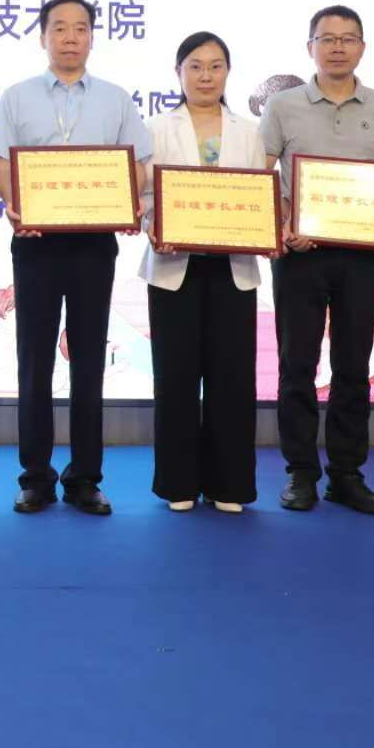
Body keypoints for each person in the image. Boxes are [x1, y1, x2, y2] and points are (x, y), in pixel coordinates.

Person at [0, 0, 152, 516]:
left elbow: (140, 167)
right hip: (35, 243)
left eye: (80, 28)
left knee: (88, 361)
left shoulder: (116, 99)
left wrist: (127, 202)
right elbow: (2, 168)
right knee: (34, 361)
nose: (70, 37)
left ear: (91, 37)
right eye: (59, 28)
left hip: (92, 244)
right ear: (43, 37)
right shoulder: (17, 97)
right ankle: (35, 476)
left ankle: (85, 477)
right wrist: (15, 206)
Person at [261, 4, 374, 514]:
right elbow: (262, 175)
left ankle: (347, 474)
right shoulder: (282, 106)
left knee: (354, 365)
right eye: (326, 39)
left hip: (362, 258)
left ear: (362, 48)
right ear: (310, 47)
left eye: (348, 39)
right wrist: (283, 227)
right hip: (299, 256)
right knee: (297, 366)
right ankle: (301, 473)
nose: (337, 47)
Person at [141, 31, 264, 513]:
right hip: (175, 266)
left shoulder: (249, 132)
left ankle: (228, 485)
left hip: (233, 270)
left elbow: (260, 196)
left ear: (228, 73)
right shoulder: (155, 128)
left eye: (215, 66)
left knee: (232, 377)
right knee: (175, 377)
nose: (205, 76)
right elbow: (144, 196)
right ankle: (178, 483)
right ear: (178, 73)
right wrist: (154, 227)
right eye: (195, 66)